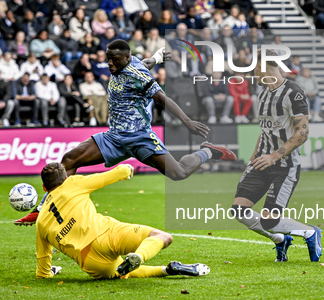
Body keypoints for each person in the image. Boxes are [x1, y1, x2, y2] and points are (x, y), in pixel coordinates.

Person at [15, 41, 235, 226]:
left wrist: (187, 122)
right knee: (69, 160)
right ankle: (44, 208)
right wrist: (156, 58)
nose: (110, 63)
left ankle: (207, 152)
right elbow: (144, 62)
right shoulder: (130, 63)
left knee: (179, 173)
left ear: (127, 58)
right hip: (114, 137)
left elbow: (162, 98)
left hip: (140, 137)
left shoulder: (138, 75)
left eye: (115, 60)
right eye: (109, 59)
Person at [35, 162, 210, 279]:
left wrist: (48, 273)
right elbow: (117, 173)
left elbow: (43, 265)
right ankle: (139, 255)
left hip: (91, 261)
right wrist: (127, 169)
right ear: (65, 178)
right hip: (107, 233)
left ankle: (167, 269)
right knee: (162, 236)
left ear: (44, 187)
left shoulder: (41, 221)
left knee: (122, 271)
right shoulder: (72, 183)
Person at [231, 50, 322, 263]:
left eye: (255, 67)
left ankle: (310, 232)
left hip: (284, 165)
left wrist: (274, 156)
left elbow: (303, 132)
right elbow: (265, 132)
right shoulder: (262, 93)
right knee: (239, 211)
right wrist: (251, 162)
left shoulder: (293, 91)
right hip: (261, 162)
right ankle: (280, 240)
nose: (253, 71)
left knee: (269, 220)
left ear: (264, 67)